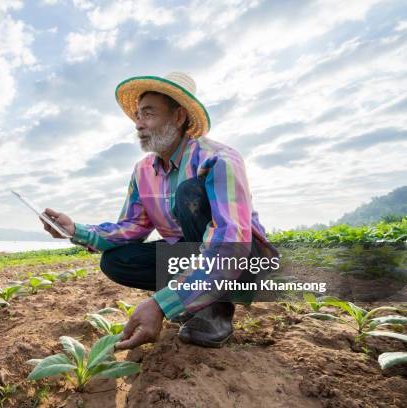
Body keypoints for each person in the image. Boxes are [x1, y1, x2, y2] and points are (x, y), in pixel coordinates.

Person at [40, 72, 277, 350]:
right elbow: (131, 227)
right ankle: (191, 298)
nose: (138, 125)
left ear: (178, 117)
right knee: (116, 260)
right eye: (138, 116)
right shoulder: (143, 171)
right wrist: (75, 230)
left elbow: (230, 243)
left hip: (242, 261)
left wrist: (161, 304)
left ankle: (213, 313)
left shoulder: (218, 159)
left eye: (148, 114)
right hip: (193, 258)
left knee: (190, 193)